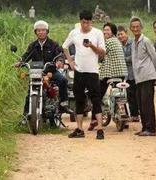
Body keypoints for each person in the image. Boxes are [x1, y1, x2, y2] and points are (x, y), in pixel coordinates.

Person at [63, 10, 107, 140]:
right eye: (83, 22)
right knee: (79, 100)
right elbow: (64, 46)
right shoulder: (74, 32)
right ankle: (79, 128)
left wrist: (91, 46)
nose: (85, 25)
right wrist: (70, 61)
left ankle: (100, 128)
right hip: (79, 71)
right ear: (80, 21)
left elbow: (102, 52)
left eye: (88, 22)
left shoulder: (97, 33)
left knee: (96, 99)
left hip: (93, 71)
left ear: (91, 22)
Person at [18, 20, 71, 118]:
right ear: (35, 32)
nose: (41, 32)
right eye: (38, 30)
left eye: (43, 30)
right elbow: (26, 55)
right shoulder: (33, 45)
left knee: (63, 80)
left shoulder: (53, 44)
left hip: (51, 71)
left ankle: (64, 104)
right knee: (30, 90)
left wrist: (59, 61)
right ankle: (25, 116)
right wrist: (20, 61)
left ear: (47, 31)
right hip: (36, 72)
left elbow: (60, 54)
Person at [88, 22, 128, 130]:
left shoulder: (108, 42)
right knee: (121, 93)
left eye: (108, 30)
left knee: (97, 96)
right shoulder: (117, 41)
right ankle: (123, 113)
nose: (105, 32)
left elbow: (100, 54)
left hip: (110, 73)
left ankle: (94, 119)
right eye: (104, 30)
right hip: (122, 72)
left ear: (113, 32)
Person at [130, 17, 156, 137]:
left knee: (147, 103)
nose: (136, 29)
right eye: (133, 27)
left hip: (147, 76)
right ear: (131, 28)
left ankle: (151, 129)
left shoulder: (146, 41)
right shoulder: (133, 42)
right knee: (141, 104)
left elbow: (155, 57)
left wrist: (154, 72)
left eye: (138, 26)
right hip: (138, 77)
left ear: (141, 27)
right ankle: (144, 127)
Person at [117, 25, 139, 122]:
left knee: (137, 95)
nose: (120, 36)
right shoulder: (119, 45)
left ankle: (138, 114)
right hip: (125, 74)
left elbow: (134, 57)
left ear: (126, 33)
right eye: (118, 35)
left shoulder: (133, 43)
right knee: (129, 95)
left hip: (135, 73)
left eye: (121, 34)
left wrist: (122, 60)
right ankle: (133, 115)